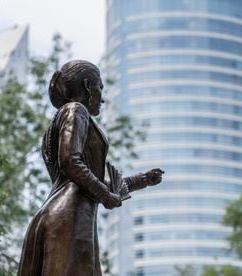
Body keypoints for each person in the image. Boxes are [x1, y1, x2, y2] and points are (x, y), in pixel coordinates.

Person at [18, 60, 163, 276]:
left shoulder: (62, 118)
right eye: (100, 87)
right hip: (71, 217)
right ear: (88, 86)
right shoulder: (76, 110)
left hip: (60, 214)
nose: (102, 98)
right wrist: (104, 194)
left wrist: (142, 180)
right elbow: (70, 161)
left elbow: (86, 178)